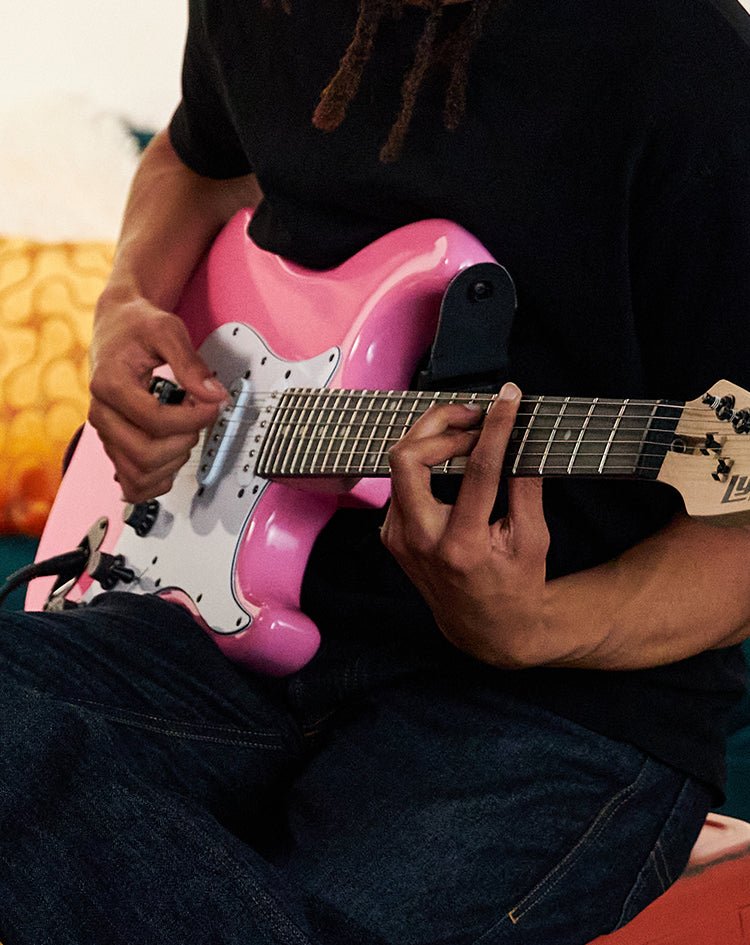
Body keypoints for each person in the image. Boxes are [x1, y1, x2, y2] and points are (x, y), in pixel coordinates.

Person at [2, 0, 750, 942]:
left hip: (549, 705)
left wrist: (540, 625)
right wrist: (124, 307)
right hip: (212, 636)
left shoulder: (680, 59)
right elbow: (198, 159)